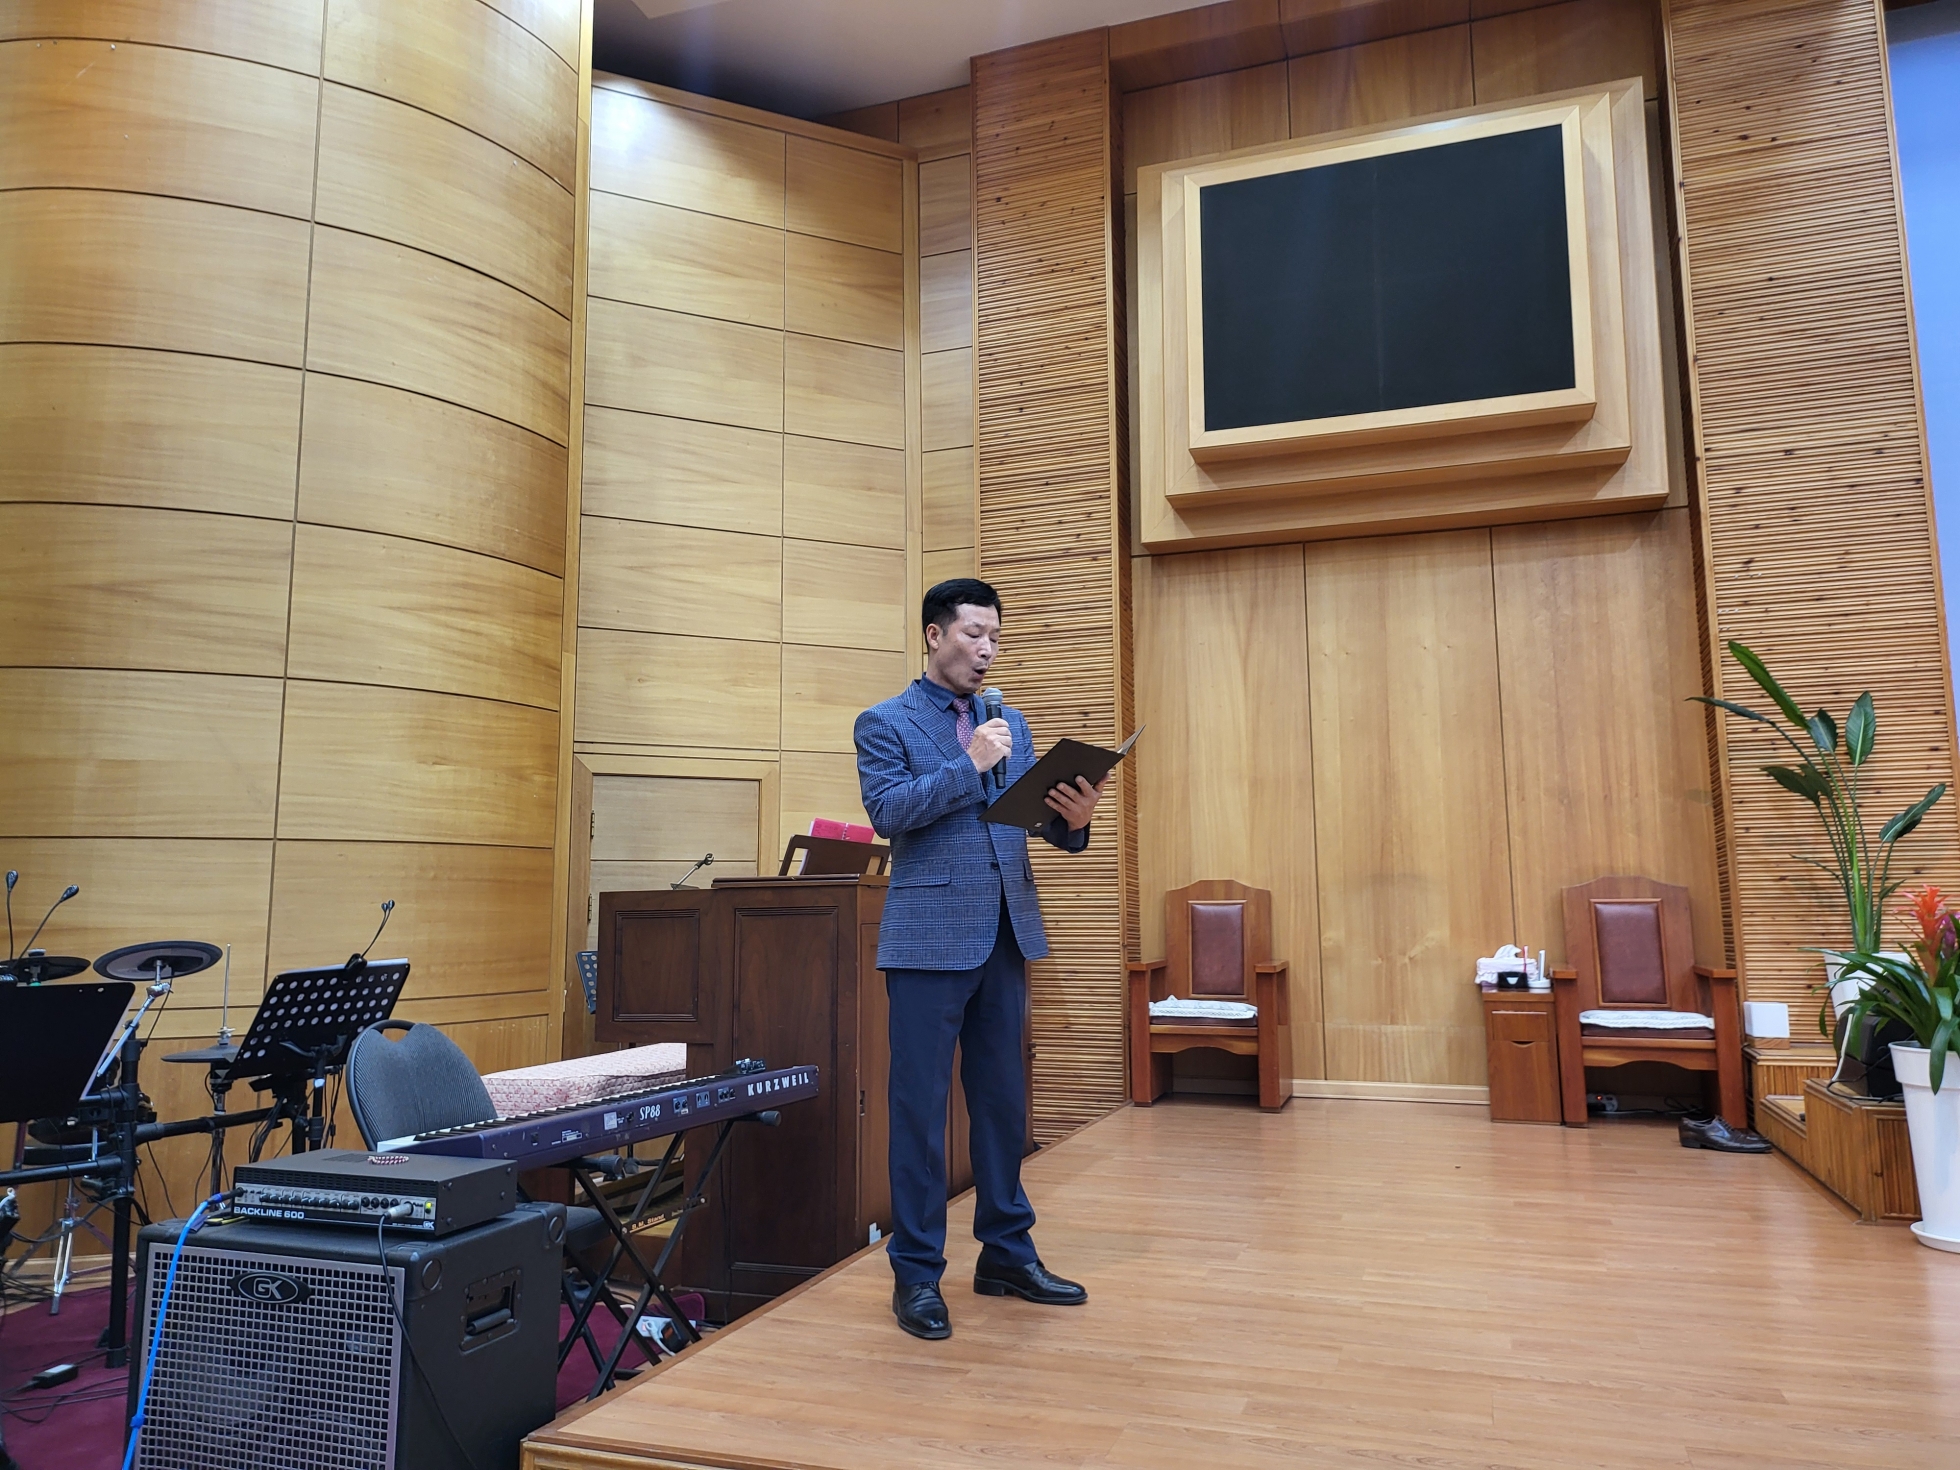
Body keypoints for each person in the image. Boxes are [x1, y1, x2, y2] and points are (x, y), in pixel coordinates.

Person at [854, 578, 1107, 1340]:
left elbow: (1026, 819)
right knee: (920, 1113)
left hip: (1005, 932)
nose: (987, 650)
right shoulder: (885, 722)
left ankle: (1006, 1254)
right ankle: (916, 1274)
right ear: (935, 635)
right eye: (973, 634)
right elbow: (889, 813)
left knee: (1001, 1107)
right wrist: (969, 764)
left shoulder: (1009, 720)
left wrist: (1074, 823)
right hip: (928, 941)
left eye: (995, 636)